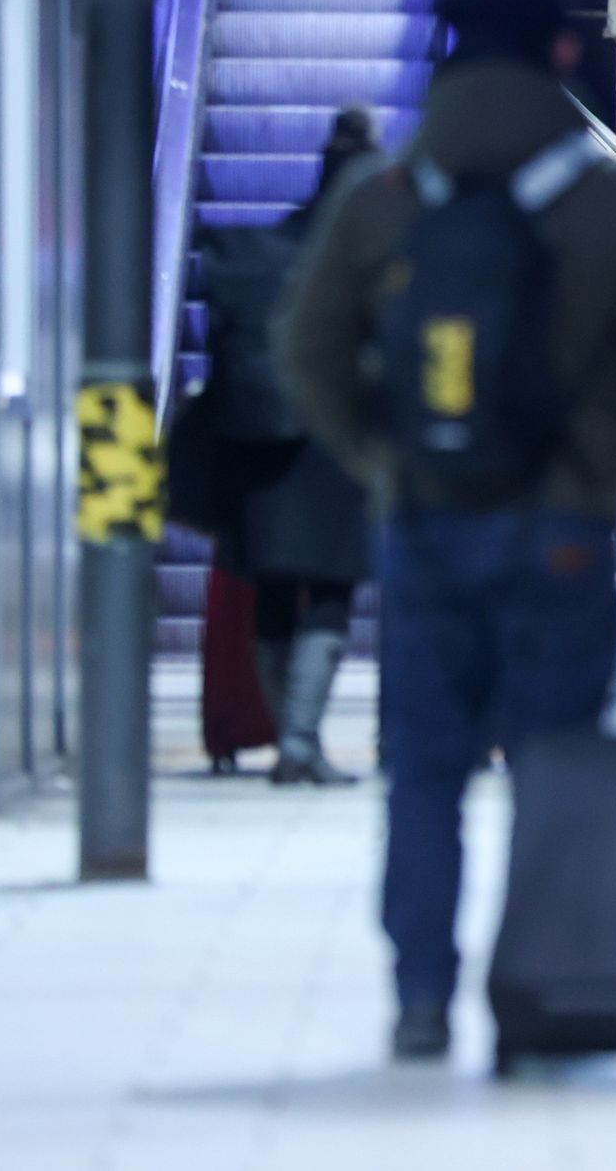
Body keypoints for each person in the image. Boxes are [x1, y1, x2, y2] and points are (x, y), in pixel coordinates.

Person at [276, 0, 616, 1061]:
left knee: (424, 774)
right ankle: (544, 996)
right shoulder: (607, 202)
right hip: (562, 530)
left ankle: (421, 999)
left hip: (424, 527)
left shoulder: (385, 197)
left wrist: (382, 460)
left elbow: (305, 352)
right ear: (561, 60)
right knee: (556, 770)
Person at [203, 107, 379, 786]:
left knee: (275, 590)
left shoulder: (256, 252)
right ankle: (299, 741)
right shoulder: (373, 258)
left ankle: (290, 739)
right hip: (335, 447)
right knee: (332, 590)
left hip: (257, 444)